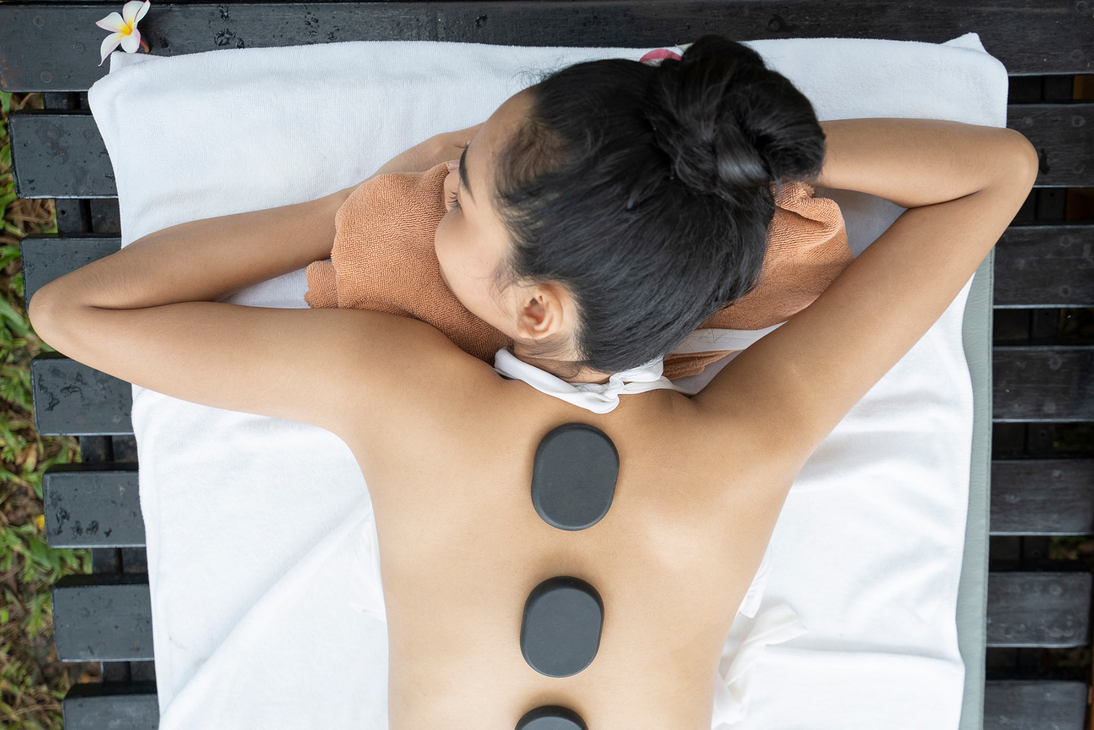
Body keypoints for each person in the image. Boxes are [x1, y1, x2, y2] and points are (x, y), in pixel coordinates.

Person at [28, 34, 1038, 729]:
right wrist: (738, 170)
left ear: (536, 309)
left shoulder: (401, 390)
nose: (433, 191)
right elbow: (994, 173)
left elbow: (78, 314)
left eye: (455, 198)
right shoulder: (748, 437)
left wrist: (346, 205)